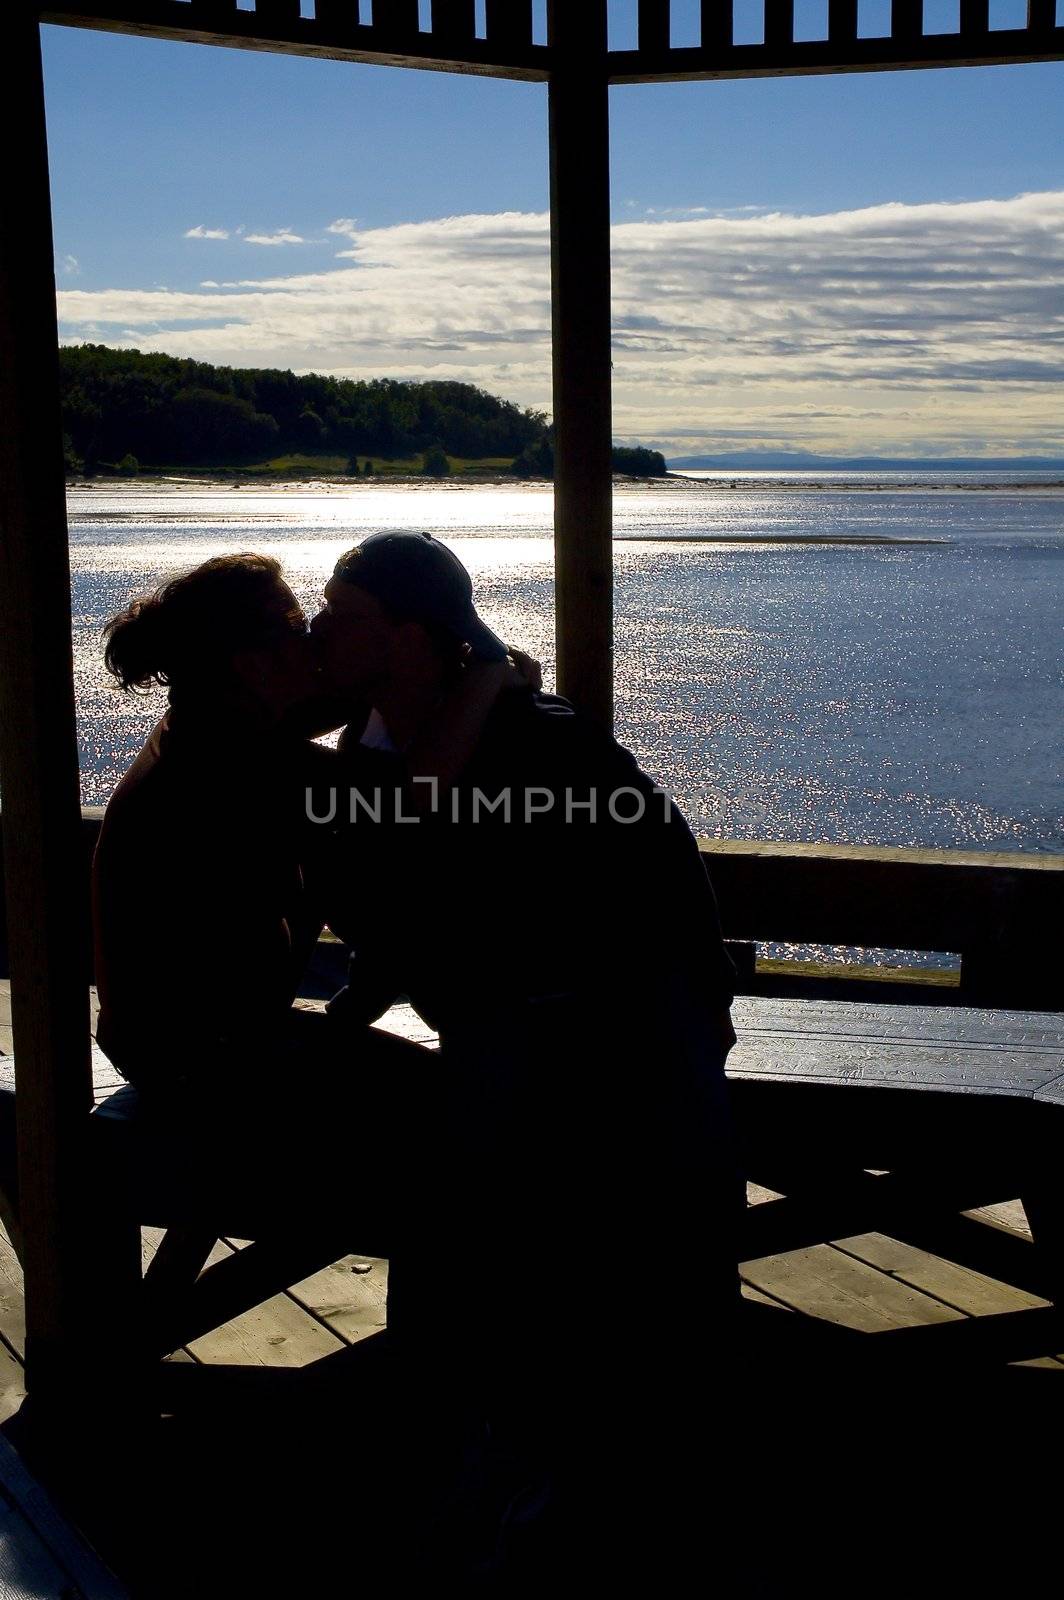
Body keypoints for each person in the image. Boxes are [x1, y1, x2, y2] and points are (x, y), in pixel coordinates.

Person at [310, 532, 742, 1525]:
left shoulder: (543, 744)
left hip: (624, 1031)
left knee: (572, 1210)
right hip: (509, 1028)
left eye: (343, 612)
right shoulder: (367, 733)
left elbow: (649, 892)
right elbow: (391, 898)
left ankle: (618, 1472)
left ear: (412, 641)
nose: (321, 628)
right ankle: (469, 1453)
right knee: (463, 1207)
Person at [92, 550, 532, 1235]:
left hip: (168, 1042)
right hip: (212, 1063)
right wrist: (489, 676)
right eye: (299, 626)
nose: (314, 640)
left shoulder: (205, 724)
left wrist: (388, 672)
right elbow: (416, 795)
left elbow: (333, 704)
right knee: (474, 1114)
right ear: (251, 663)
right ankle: (453, 1321)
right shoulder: (241, 763)